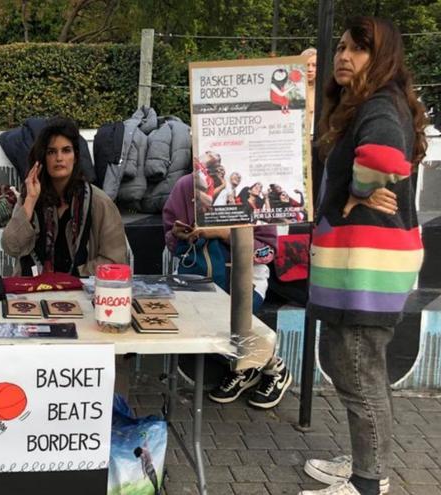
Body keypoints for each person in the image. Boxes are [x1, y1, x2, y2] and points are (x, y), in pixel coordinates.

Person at [300, 17, 426, 495]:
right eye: (343, 48)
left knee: (359, 370)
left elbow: (384, 159)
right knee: (349, 364)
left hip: (368, 267)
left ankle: (369, 481)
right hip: (357, 264)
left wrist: (357, 192)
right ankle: (362, 461)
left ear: (382, 57)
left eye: (358, 50)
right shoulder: (365, 106)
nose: (343, 57)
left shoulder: (379, 105)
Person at [163, 173, 291, 409]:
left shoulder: (256, 194)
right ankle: (245, 368)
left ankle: (274, 368)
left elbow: (268, 253)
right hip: (198, 279)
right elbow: (171, 241)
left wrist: (224, 234)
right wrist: (180, 235)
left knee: (229, 322)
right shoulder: (185, 186)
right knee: (194, 323)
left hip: (245, 279)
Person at [1, 117, 127, 276]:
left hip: (82, 293)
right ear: (42, 158)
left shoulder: (99, 202)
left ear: (75, 156)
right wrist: (30, 201)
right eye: (51, 152)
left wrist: (74, 276)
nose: (59, 158)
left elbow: (115, 260)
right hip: (33, 291)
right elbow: (11, 247)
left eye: (66, 150)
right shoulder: (31, 196)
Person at [302, 47, 318, 134]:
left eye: (314, 65)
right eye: (307, 65)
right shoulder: (293, 92)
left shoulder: (325, 91)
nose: (310, 69)